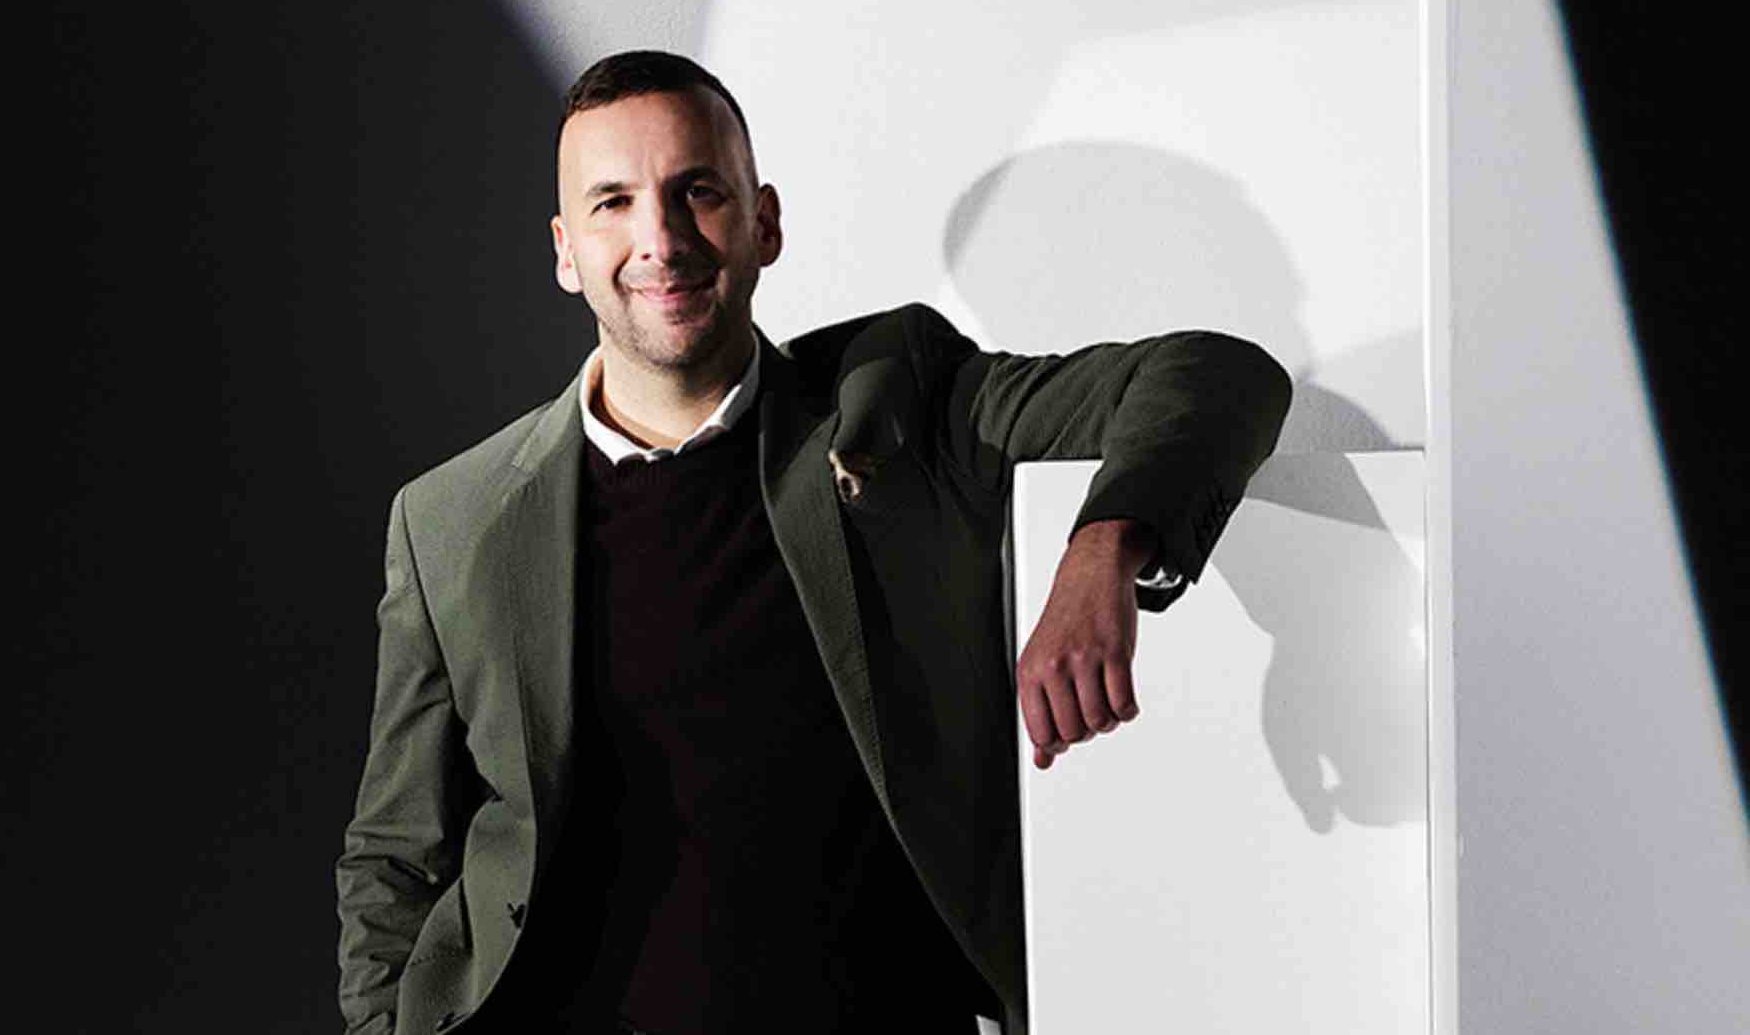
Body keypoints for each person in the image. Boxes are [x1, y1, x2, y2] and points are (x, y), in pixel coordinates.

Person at [336, 50, 1290, 1035]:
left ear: (766, 221)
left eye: (695, 190)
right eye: (612, 202)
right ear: (566, 249)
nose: (659, 239)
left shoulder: (898, 400)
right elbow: (398, 854)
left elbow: (1216, 375)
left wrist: (1106, 544)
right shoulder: (454, 519)